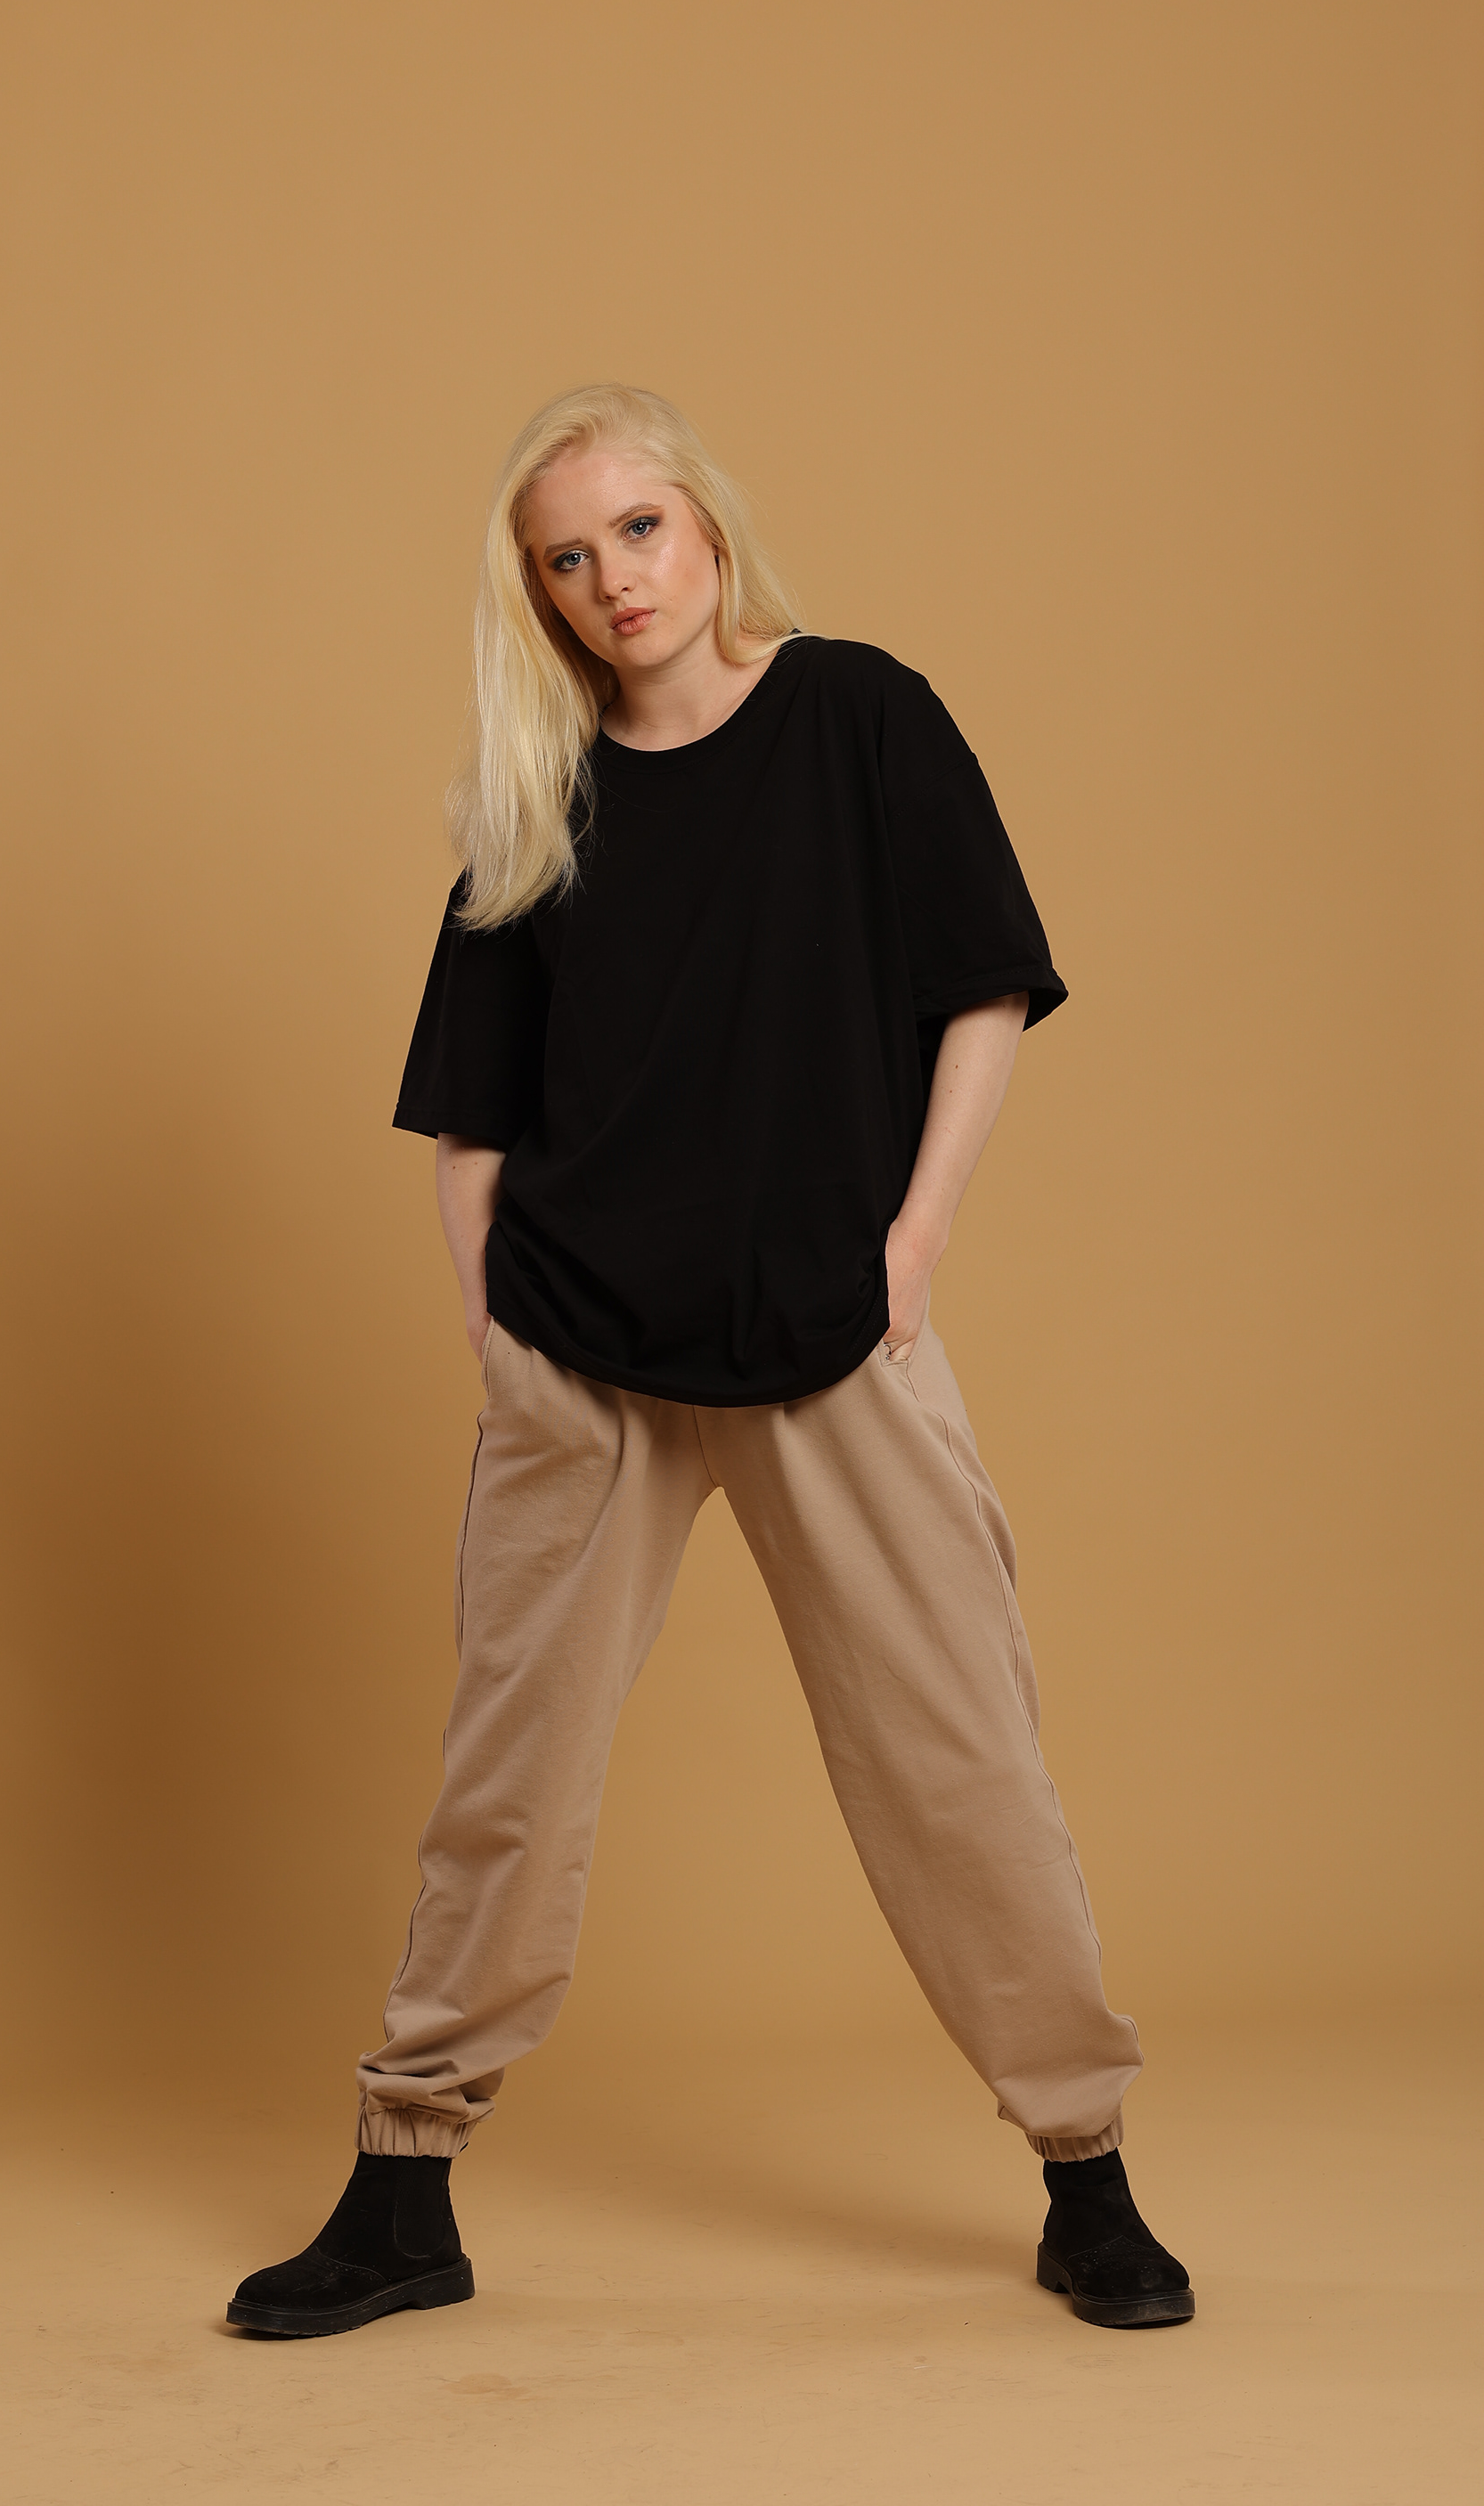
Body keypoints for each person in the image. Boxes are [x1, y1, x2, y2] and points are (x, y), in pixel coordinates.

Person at [227, 384, 1193, 2340]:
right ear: (540, 594)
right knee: (508, 1784)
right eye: (568, 559)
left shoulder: (859, 716)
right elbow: (475, 1115)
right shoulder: (539, 795)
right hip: (580, 1352)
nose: (614, 581)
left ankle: (1084, 2172)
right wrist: (495, 1328)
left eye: (639, 531)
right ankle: (405, 2192)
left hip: (833, 1330)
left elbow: (982, 989)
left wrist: (915, 1238)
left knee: (960, 1758)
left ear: (710, 523)